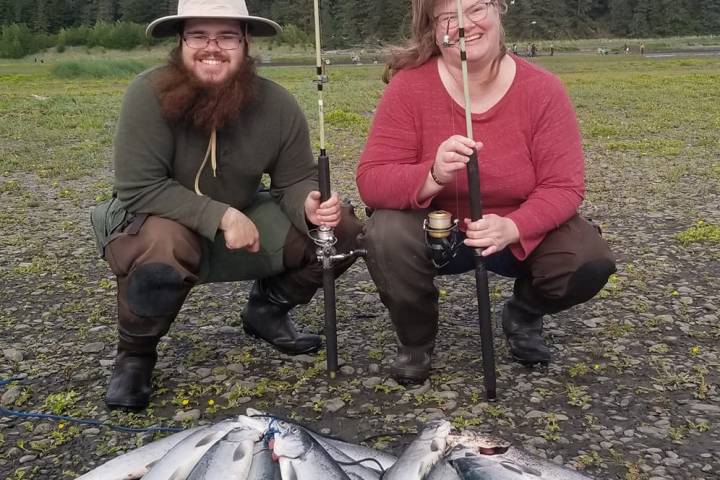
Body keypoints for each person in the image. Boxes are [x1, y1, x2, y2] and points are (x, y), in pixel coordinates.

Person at [90, 0, 362, 411]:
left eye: (227, 36)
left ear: (246, 41)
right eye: (199, 35)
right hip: (154, 223)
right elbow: (138, 187)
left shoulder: (277, 104)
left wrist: (307, 203)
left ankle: (266, 311)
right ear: (180, 42)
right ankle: (136, 354)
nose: (212, 47)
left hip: (242, 223)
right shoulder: (146, 94)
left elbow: (294, 179)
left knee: (341, 232)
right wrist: (221, 215)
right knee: (163, 245)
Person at [356, 0, 616, 385]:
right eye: (447, 16)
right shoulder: (409, 87)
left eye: (476, 8)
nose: (463, 24)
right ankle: (416, 340)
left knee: (586, 259)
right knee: (384, 233)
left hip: (513, 231)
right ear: (431, 28)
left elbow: (564, 186)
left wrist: (514, 227)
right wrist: (432, 174)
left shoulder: (543, 89)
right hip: (437, 232)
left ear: (499, 11)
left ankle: (524, 312)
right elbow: (371, 180)